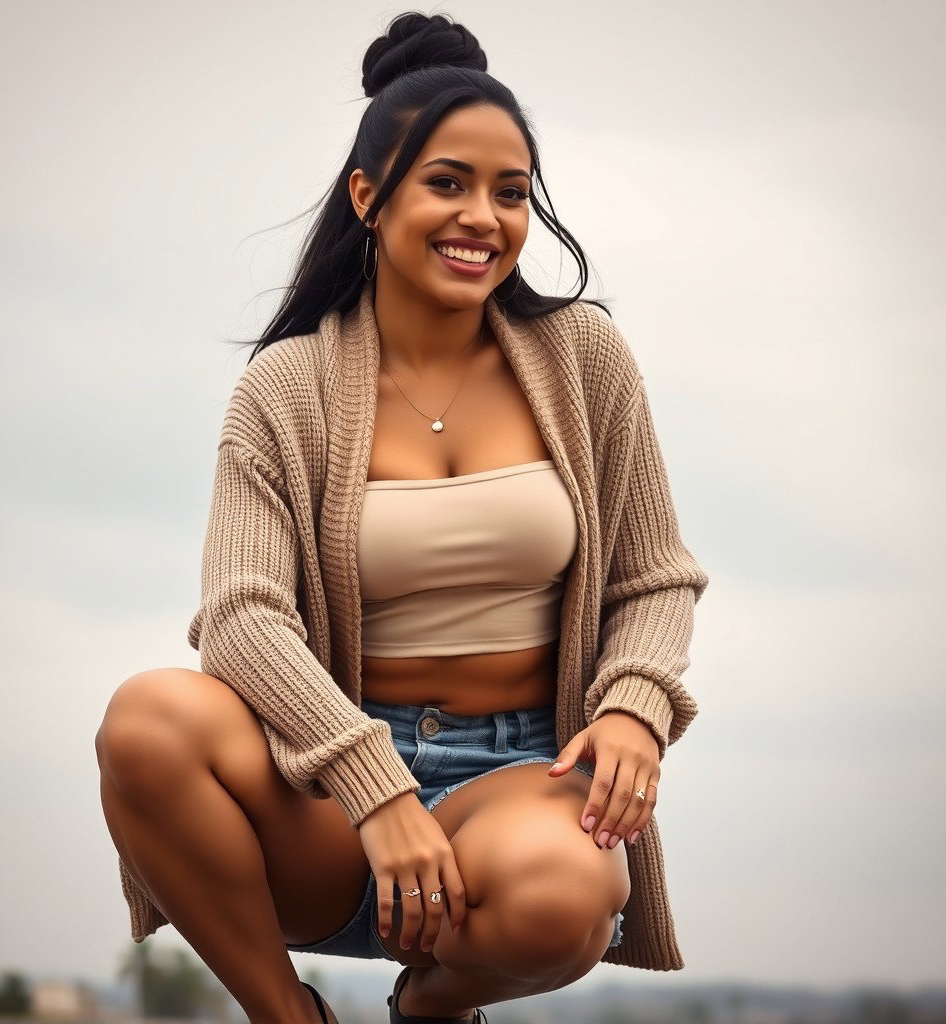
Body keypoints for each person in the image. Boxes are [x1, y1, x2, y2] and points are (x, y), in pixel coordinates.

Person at [95, 12, 709, 1024]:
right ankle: (286, 1016)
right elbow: (242, 619)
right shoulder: (285, 388)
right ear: (369, 198)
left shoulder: (586, 360)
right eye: (447, 183)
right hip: (327, 796)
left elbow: (654, 577)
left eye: (510, 193)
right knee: (146, 719)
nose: (484, 217)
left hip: (520, 786)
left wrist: (635, 704)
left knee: (572, 897)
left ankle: (429, 1009)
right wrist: (373, 787)